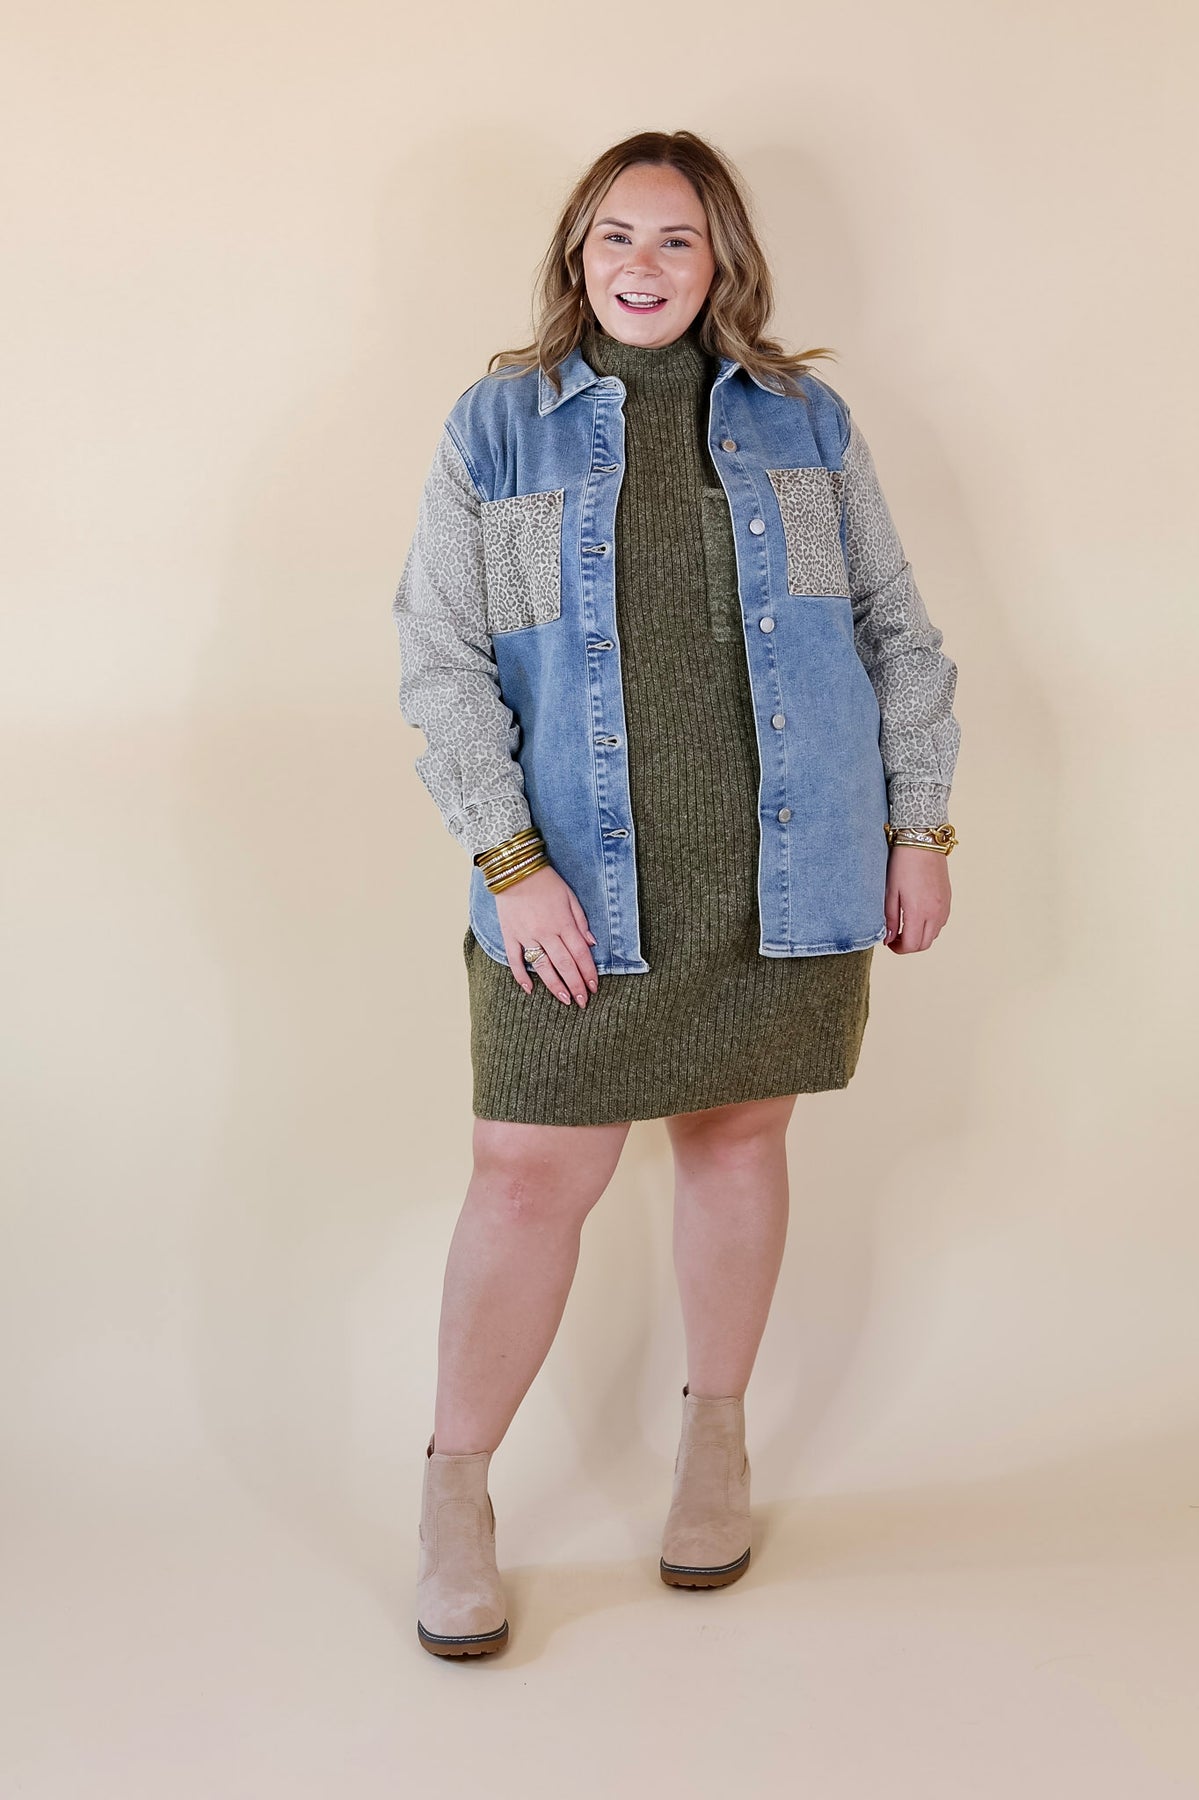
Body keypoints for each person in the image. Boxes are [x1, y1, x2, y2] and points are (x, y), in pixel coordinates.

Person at [391, 129, 961, 1657]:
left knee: (738, 1138)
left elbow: (896, 632)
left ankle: (717, 1447)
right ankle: (456, 1491)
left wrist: (921, 828)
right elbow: (442, 665)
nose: (642, 267)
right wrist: (511, 866)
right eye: (616, 238)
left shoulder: (805, 423)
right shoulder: (497, 430)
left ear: (723, 266)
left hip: (782, 868)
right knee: (526, 1174)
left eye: (676, 240)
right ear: (577, 255)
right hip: (575, 882)